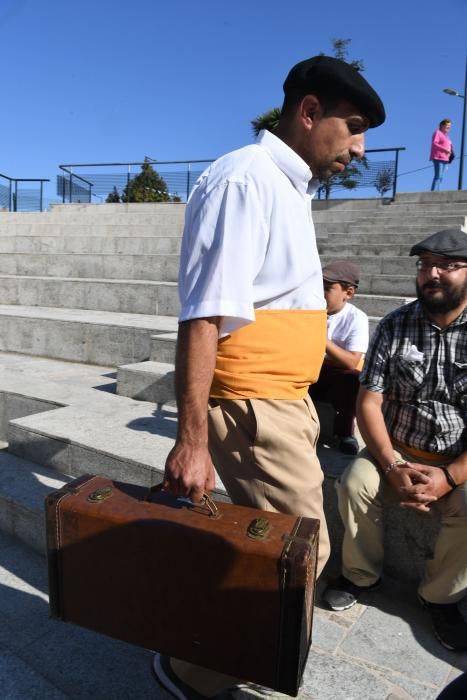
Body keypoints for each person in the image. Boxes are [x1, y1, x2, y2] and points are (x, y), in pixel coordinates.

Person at [152, 55, 385, 700]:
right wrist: (192, 440)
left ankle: (221, 660)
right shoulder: (245, 179)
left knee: (284, 554)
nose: (360, 147)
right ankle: (196, 673)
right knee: (299, 557)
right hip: (255, 405)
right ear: (309, 112)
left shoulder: (284, 186)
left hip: (283, 402)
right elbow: (203, 316)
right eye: (355, 126)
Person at [323, 228, 467, 652]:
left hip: (457, 456)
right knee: (354, 484)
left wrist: (449, 477)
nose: (432, 274)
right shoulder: (396, 325)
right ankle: (361, 575)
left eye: (446, 265)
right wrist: (390, 465)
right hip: (397, 447)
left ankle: (439, 597)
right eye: (424, 265)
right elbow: (369, 402)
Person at [309, 260, 369, 455]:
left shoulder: (356, 318)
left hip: (336, 377)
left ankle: (344, 433)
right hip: (311, 369)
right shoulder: (309, 311)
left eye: (327, 288)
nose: (320, 293)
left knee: (353, 379)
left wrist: (321, 339)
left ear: (348, 293)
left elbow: (351, 361)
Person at [430, 119, 453, 191]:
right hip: (438, 157)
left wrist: (449, 155)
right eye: (447, 126)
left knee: (441, 177)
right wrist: (445, 150)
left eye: (450, 126)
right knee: (438, 176)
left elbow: (450, 148)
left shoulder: (447, 137)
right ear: (442, 125)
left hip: (445, 159)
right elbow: (434, 143)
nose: (449, 128)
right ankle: (434, 193)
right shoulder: (437, 132)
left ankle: (436, 191)